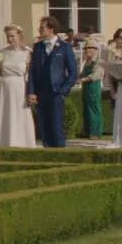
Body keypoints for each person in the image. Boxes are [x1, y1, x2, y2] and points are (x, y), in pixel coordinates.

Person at [25, 16, 75, 148]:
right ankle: (47, 152)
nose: (39, 30)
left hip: (56, 92)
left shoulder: (64, 47)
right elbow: (32, 71)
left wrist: (63, 91)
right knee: (44, 127)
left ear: (51, 29)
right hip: (41, 93)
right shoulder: (37, 47)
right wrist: (31, 91)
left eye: (42, 27)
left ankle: (60, 153)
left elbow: (73, 72)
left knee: (56, 127)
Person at [0, 25, 38, 148]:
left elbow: (31, 74)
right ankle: (3, 141)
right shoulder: (1, 53)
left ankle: (23, 142)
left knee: (19, 113)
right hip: (5, 87)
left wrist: (31, 91)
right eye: (8, 37)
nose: (10, 39)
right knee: (5, 114)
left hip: (19, 86)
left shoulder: (27, 52)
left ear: (19, 36)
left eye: (12, 36)